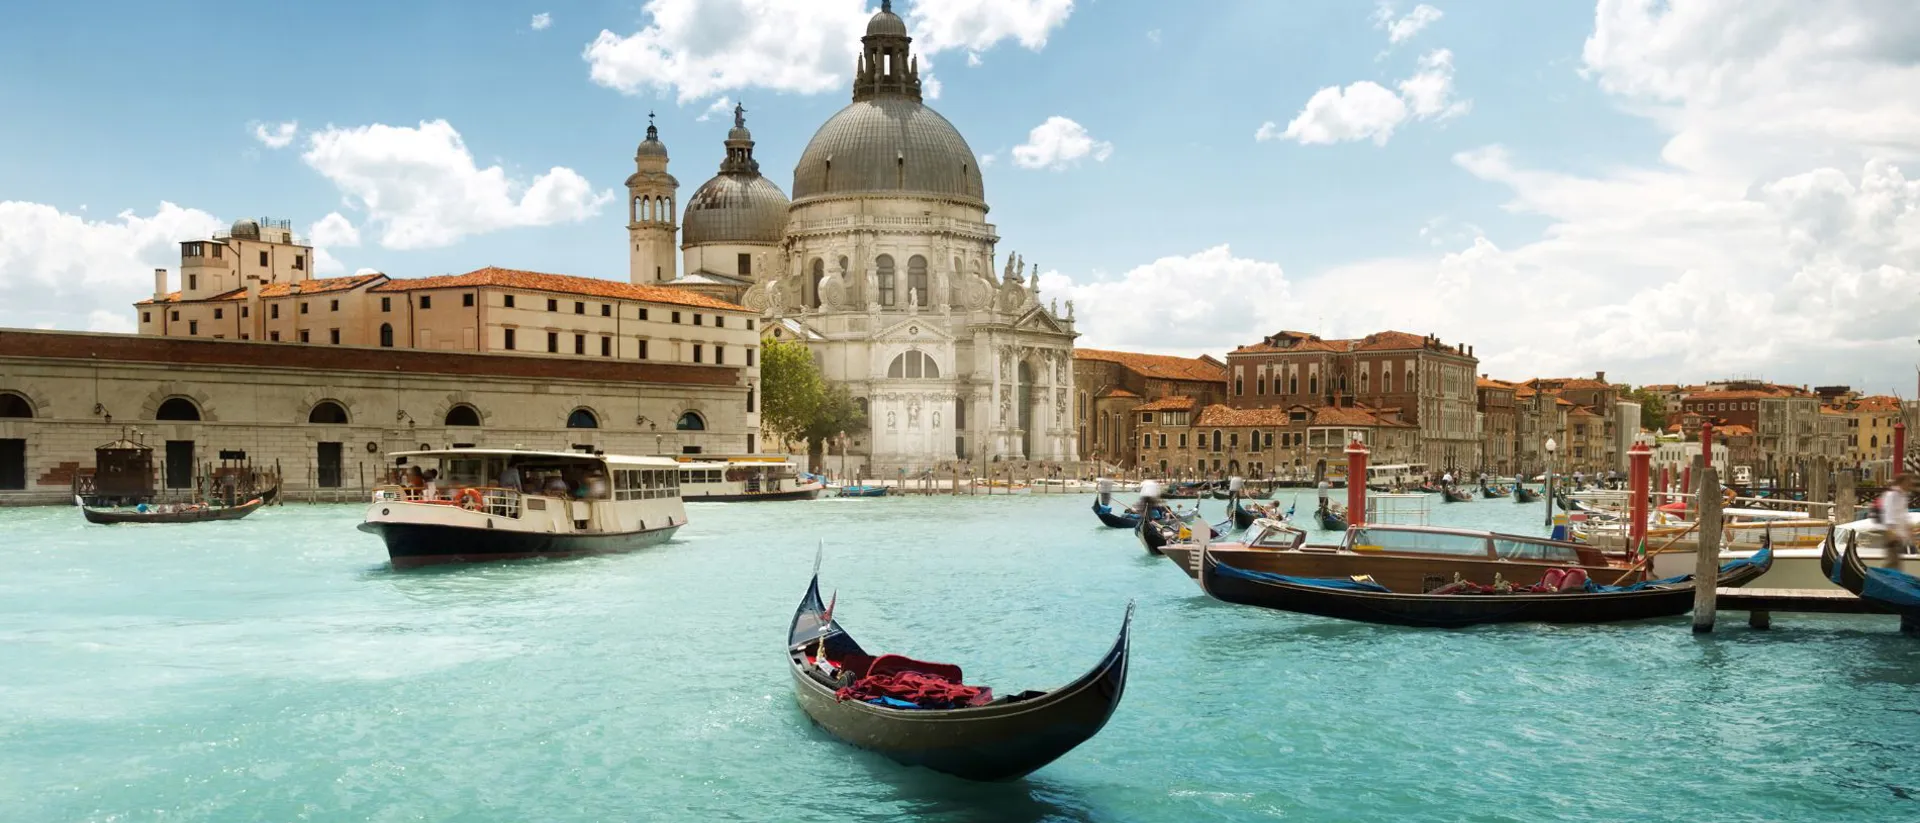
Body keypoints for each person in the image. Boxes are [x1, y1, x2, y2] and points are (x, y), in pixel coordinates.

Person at [1880, 474, 1913, 566]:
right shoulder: (1892, 495)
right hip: (1892, 533)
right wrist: (1891, 531)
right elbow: (1888, 513)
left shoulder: (1903, 496)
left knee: (1895, 562)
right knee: (1892, 562)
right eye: (1908, 482)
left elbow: (1903, 516)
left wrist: (1908, 531)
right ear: (1902, 482)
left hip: (1899, 535)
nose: (1910, 485)